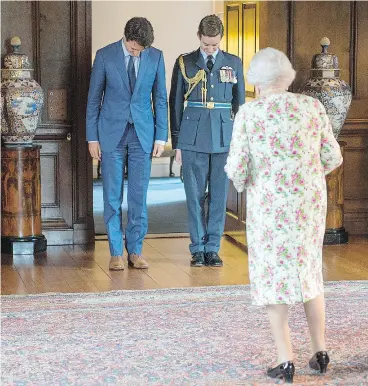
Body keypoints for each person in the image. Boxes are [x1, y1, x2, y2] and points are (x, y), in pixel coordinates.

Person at [225, 47, 343, 383]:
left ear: (257, 81)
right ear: (287, 76)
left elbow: (237, 170)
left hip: (271, 210)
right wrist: (306, 176)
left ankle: (285, 359)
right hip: (308, 206)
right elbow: (333, 157)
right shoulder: (312, 107)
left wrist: (253, 181)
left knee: (275, 279)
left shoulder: (250, 113)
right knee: (308, 273)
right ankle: (320, 352)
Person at [86, 17, 168, 271]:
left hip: (142, 134)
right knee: (111, 196)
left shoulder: (155, 56)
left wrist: (161, 136)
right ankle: (114, 252)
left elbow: (161, 98)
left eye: (141, 50)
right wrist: (92, 137)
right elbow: (93, 100)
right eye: (134, 48)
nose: (137, 53)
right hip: (111, 134)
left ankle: (135, 250)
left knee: (138, 196)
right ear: (126, 38)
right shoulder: (104, 55)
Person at [169, 14, 245, 267]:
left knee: (219, 195)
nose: (210, 49)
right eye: (206, 45)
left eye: (214, 45)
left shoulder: (233, 62)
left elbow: (239, 103)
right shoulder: (185, 62)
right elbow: (176, 103)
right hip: (192, 136)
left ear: (220, 40)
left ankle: (213, 247)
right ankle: (197, 248)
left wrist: (240, 140)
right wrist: (177, 141)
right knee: (194, 195)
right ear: (199, 38)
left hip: (224, 136)